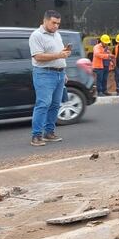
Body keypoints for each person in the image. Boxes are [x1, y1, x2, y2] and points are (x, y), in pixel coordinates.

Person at [28, 10, 71, 146]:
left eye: (58, 23)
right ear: (45, 20)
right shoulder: (36, 36)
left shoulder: (57, 35)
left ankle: (49, 132)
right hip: (44, 74)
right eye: (53, 23)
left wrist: (63, 71)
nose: (56, 26)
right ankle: (36, 136)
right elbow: (38, 56)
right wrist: (59, 55)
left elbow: (58, 54)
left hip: (59, 73)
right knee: (43, 104)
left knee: (55, 104)